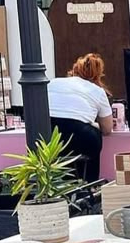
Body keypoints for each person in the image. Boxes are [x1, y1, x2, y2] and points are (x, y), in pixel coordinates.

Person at [47, 53, 113, 183]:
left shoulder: (52, 83)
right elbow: (107, 128)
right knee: (93, 137)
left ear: (74, 70)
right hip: (80, 137)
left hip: (49, 134)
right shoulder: (98, 91)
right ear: (98, 75)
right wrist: (92, 124)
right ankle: (89, 185)